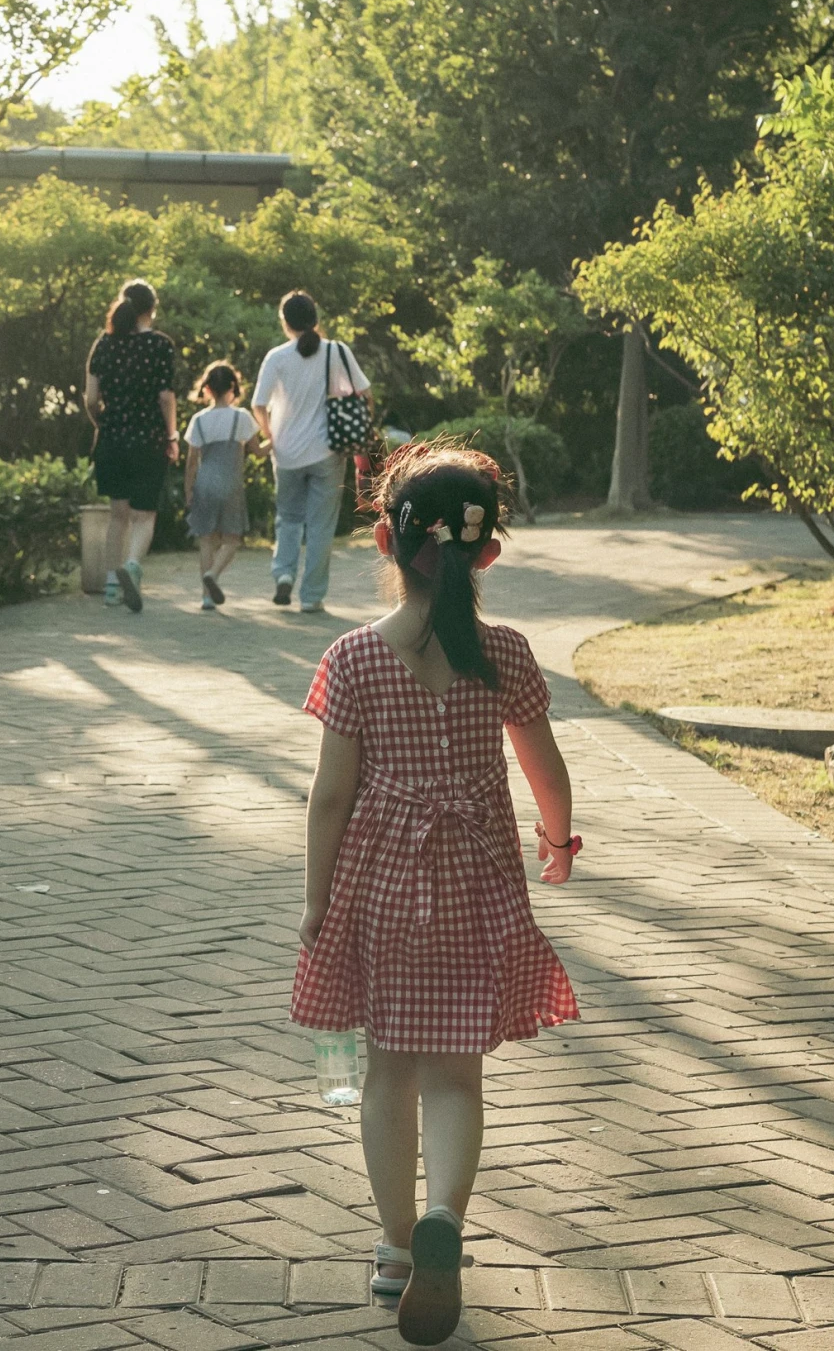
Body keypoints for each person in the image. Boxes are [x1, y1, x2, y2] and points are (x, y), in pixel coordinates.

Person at [290, 443, 583, 1346]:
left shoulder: (353, 658)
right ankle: (444, 1225)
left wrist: (314, 902)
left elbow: (330, 795)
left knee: (388, 1071)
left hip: (380, 884)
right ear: (487, 552)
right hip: (477, 880)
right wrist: (557, 841)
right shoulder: (504, 652)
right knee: (456, 1071)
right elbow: (545, 768)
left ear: (382, 539)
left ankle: (391, 1246)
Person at [251, 290, 370, 614]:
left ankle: (284, 573)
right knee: (320, 526)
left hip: (286, 454)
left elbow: (258, 404)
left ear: (285, 322)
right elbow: (365, 394)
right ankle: (311, 597)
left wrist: (270, 434)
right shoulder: (336, 351)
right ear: (315, 319)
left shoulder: (276, 357)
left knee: (287, 519)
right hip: (327, 453)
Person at [84, 280, 181, 612]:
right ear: (152, 308)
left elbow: (92, 398)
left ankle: (112, 586)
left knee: (117, 516)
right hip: (148, 439)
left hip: (111, 440)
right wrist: (171, 435)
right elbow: (166, 396)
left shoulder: (105, 344)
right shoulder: (160, 345)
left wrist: (103, 425)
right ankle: (133, 565)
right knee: (144, 514)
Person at [182, 363, 266, 611]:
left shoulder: (198, 420)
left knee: (206, 541)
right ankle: (214, 574)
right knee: (232, 539)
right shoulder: (241, 417)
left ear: (206, 389)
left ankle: (206, 596)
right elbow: (258, 452)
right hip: (230, 484)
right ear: (233, 387)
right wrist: (274, 441)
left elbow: (191, 463)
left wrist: (189, 491)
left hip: (205, 483)